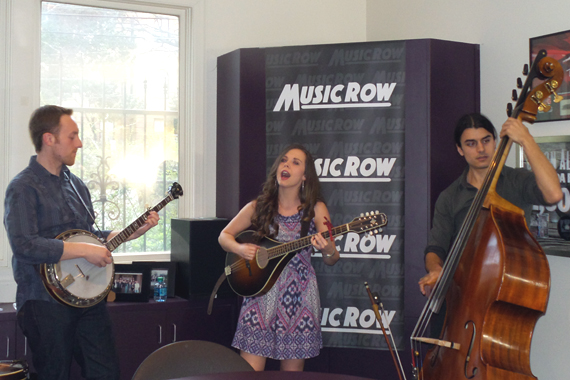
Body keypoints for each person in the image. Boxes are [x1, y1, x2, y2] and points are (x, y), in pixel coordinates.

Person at [4, 105, 160, 380]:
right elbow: (24, 245)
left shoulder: (77, 185)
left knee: (106, 373)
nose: (80, 143)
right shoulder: (23, 187)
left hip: (88, 300)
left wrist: (130, 233)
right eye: (72, 136)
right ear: (49, 139)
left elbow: (89, 237)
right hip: (43, 302)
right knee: (54, 374)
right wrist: (85, 250)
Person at [218, 143, 339, 372]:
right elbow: (224, 236)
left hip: (299, 299)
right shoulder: (258, 206)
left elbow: (332, 258)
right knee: (249, 373)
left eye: (295, 162)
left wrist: (327, 249)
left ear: (305, 176)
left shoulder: (316, 209)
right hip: (260, 293)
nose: (286, 165)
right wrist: (240, 249)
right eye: (284, 160)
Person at [418, 113, 562, 299]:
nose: (480, 149)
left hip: (510, 292)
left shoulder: (516, 180)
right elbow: (435, 248)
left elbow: (554, 194)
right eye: (471, 144)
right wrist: (436, 269)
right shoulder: (450, 197)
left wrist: (526, 140)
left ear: (495, 142)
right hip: (462, 297)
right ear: (460, 150)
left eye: (486, 140)